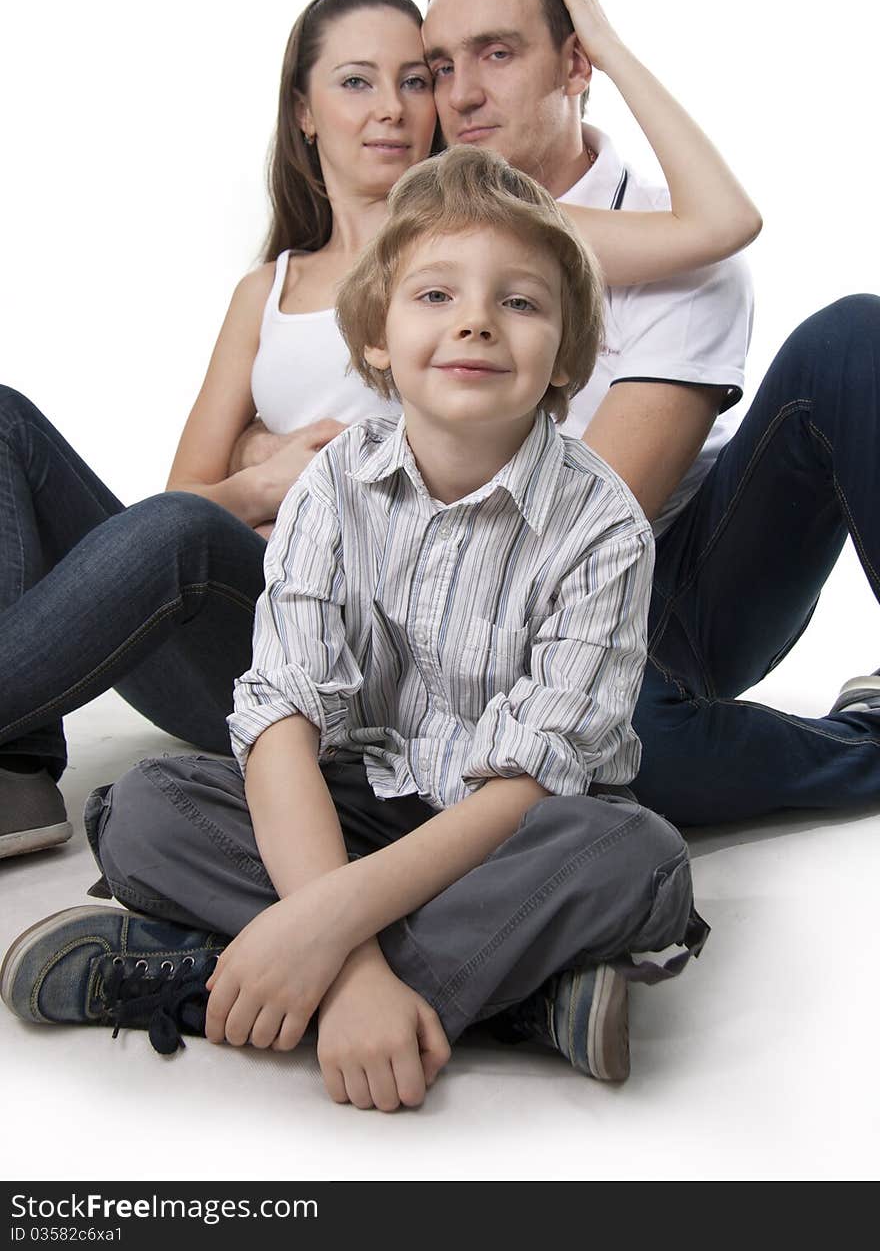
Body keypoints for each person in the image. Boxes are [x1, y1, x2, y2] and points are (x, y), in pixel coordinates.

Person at [0, 0, 760, 859]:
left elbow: (718, 225)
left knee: (174, 540)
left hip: (376, 659)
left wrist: (604, 44)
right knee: (12, 421)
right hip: (246, 623)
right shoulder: (267, 289)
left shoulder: (474, 242)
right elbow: (181, 507)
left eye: (417, 80)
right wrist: (264, 479)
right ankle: (16, 759)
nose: (396, 107)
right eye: (357, 82)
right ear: (305, 112)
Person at [2, 147, 709, 1106]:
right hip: (354, 805)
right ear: (375, 336)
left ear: (569, 358)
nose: (475, 320)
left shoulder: (603, 525)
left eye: (520, 302)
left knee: (642, 863)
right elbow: (283, 718)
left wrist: (322, 922)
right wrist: (353, 960)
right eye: (434, 295)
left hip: (508, 830)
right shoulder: (330, 489)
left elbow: (532, 780)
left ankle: (211, 968)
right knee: (144, 809)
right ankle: (512, 997)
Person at [421, 0, 880, 824]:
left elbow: (592, 520)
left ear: (576, 64)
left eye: (499, 54)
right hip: (514, 625)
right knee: (607, 760)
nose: (462, 93)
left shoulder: (684, 252)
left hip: (689, 591)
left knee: (851, 337)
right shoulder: (430, 254)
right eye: (439, 66)